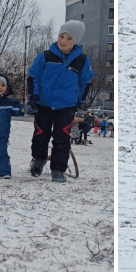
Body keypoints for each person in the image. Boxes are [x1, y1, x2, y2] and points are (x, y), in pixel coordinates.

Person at [26, 21, 94, 183]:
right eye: (61, 36)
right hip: (44, 104)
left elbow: (86, 82)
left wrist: (80, 101)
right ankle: (39, 159)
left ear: (75, 41)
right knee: (40, 134)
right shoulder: (45, 56)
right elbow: (33, 76)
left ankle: (58, 169)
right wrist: (33, 97)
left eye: (68, 38)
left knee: (62, 137)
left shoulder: (82, 61)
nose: (63, 41)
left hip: (67, 106)